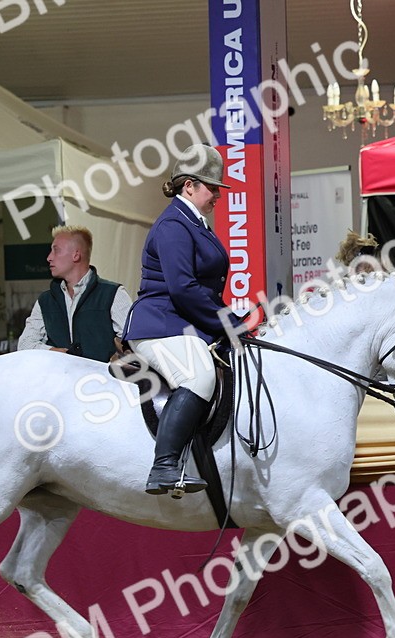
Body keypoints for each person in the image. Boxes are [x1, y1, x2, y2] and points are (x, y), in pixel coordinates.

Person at [123, 143, 233, 496]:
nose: (218, 194)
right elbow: (183, 288)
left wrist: (233, 320)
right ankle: (164, 465)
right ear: (189, 186)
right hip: (160, 324)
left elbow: (203, 288)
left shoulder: (194, 222)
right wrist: (227, 322)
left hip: (183, 323)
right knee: (199, 375)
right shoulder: (173, 224)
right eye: (212, 187)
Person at [17, 225, 132, 361]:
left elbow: (135, 342)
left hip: (102, 375)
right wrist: (54, 352)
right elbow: (25, 345)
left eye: (56, 250)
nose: (49, 257)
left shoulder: (113, 294)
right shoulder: (45, 301)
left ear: (76, 255)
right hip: (60, 375)